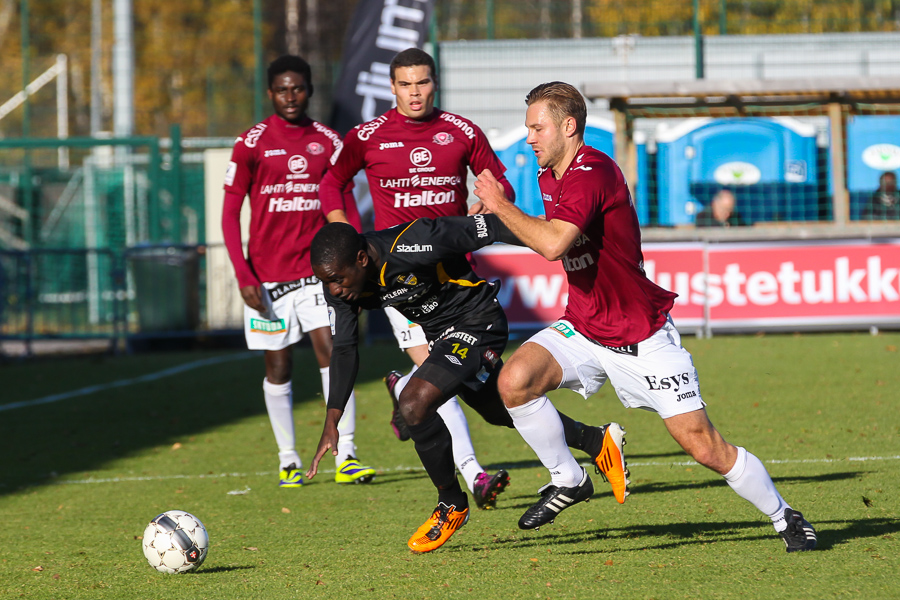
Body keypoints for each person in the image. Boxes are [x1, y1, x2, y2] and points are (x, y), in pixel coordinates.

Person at [473, 81, 817, 552]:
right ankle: (569, 479)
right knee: (514, 381)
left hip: (641, 338)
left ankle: (785, 516)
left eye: (538, 127)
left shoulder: (593, 171)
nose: (530, 137)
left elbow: (552, 245)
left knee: (705, 448)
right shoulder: (548, 174)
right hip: (584, 327)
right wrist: (489, 221)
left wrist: (500, 208)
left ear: (569, 127)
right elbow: (548, 236)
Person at [304, 217, 629, 553]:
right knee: (500, 411)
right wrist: (333, 416)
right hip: (441, 338)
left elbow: (493, 226)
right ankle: (596, 440)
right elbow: (344, 348)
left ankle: (451, 505)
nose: (333, 290)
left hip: (478, 321)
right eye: (326, 282)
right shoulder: (343, 287)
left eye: (336, 280)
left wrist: (557, 244)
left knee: (414, 403)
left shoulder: (414, 241)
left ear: (361, 259)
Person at [319, 47, 520, 509]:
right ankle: (473, 476)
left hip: (452, 274)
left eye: (423, 82)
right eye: (405, 84)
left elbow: (499, 183)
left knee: (467, 384)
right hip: (398, 283)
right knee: (437, 376)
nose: (415, 92)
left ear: (435, 82)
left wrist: (485, 204)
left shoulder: (462, 131)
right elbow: (333, 183)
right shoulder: (367, 136)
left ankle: (402, 387)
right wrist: (345, 237)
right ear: (392, 88)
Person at [222, 55, 375, 488]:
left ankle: (346, 453)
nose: (291, 97)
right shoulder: (250, 143)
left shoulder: (328, 141)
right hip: (268, 279)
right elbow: (230, 215)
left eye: (299, 88)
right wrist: (243, 274)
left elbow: (342, 204)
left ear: (310, 89)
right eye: (282, 90)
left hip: (316, 276)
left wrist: (357, 257)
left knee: (332, 350)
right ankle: (288, 458)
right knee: (279, 366)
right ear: (270, 93)